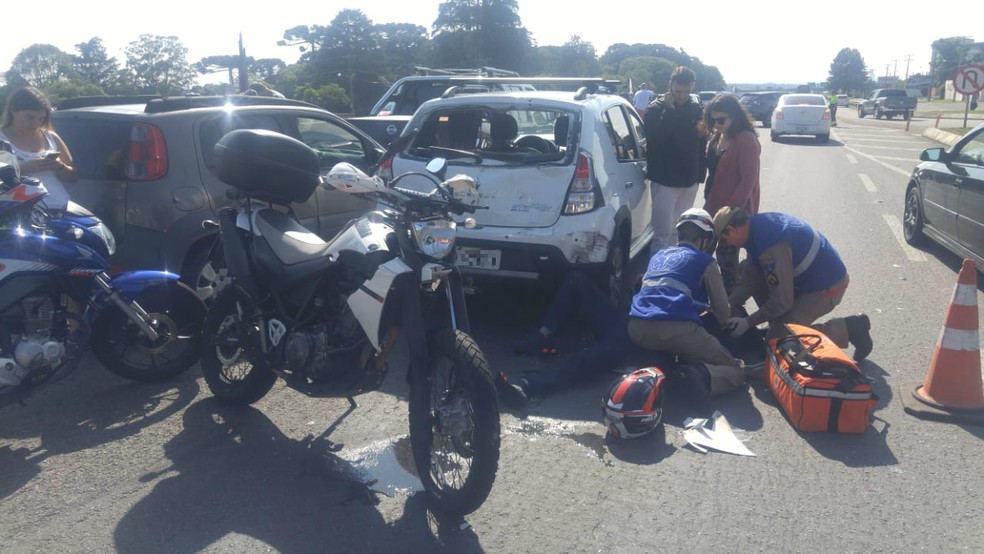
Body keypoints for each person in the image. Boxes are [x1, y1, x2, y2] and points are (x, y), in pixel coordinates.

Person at [627, 208, 749, 412]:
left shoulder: (659, 255)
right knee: (735, 371)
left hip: (636, 328)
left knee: (670, 345)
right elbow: (722, 314)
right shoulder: (705, 262)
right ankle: (699, 375)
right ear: (705, 240)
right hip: (675, 330)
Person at [713, 207, 873, 361]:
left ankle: (850, 328)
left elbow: (782, 302)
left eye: (724, 239)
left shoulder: (770, 247)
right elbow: (751, 279)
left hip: (827, 287)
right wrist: (727, 307)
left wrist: (748, 323)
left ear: (732, 229)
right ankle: (781, 322)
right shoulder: (755, 227)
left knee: (779, 341)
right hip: (805, 280)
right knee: (746, 268)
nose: (727, 245)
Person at [497, 270, 646, 409]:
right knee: (575, 280)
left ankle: (529, 385)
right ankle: (542, 335)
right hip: (627, 317)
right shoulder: (663, 258)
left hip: (640, 328)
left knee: (593, 356)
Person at [702, 94, 761, 294]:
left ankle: (730, 307)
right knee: (701, 254)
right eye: (712, 119)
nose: (716, 124)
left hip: (734, 212)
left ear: (734, 117)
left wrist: (729, 212)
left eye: (721, 120)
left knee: (727, 262)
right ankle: (710, 301)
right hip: (711, 205)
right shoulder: (717, 137)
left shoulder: (746, 139)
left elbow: (748, 180)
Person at [644, 66, 706, 256]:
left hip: (689, 179)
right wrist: (669, 110)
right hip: (665, 179)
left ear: (692, 87)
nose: (681, 96)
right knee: (662, 234)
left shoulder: (696, 109)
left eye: (686, 92)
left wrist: (699, 176)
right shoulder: (656, 109)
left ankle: (673, 273)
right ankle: (656, 278)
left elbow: (701, 144)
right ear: (670, 86)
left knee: (677, 232)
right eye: (678, 91)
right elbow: (655, 140)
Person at [0, 86, 77, 212]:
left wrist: (59, 166)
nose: (35, 124)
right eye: (29, 117)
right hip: (19, 215)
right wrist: (26, 168)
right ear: (13, 109)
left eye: (41, 119)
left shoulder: (51, 137)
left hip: (60, 208)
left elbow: (73, 177)